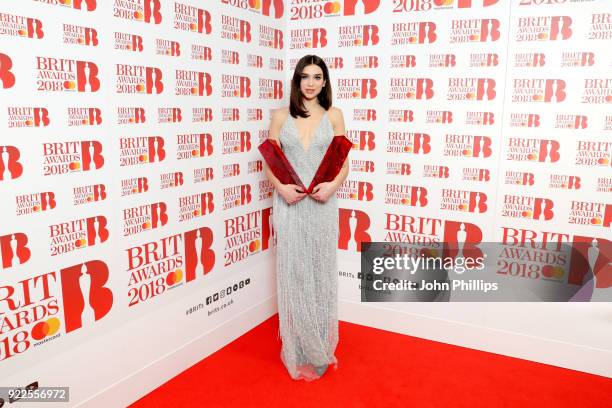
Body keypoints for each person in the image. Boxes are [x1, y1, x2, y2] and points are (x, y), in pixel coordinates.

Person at [264, 55, 348, 381]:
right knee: (295, 272)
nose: (310, 83)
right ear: (297, 81)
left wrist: (333, 186)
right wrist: (281, 190)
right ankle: (305, 348)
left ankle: (319, 342)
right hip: (289, 204)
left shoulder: (335, 116)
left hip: (323, 204)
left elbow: (343, 163)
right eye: (305, 77)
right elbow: (270, 163)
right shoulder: (281, 116)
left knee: (319, 272)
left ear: (325, 82)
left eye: (317, 77)